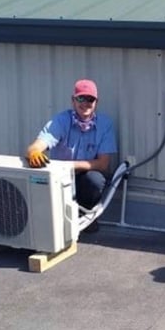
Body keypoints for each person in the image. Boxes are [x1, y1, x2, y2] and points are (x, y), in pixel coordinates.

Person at [26, 79, 117, 224]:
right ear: (73, 100)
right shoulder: (61, 121)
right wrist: (33, 152)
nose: (85, 103)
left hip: (84, 176)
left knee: (95, 180)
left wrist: (69, 166)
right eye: (81, 98)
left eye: (90, 99)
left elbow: (103, 164)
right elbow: (37, 145)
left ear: (96, 102)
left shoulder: (105, 124)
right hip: (59, 177)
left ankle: (86, 217)